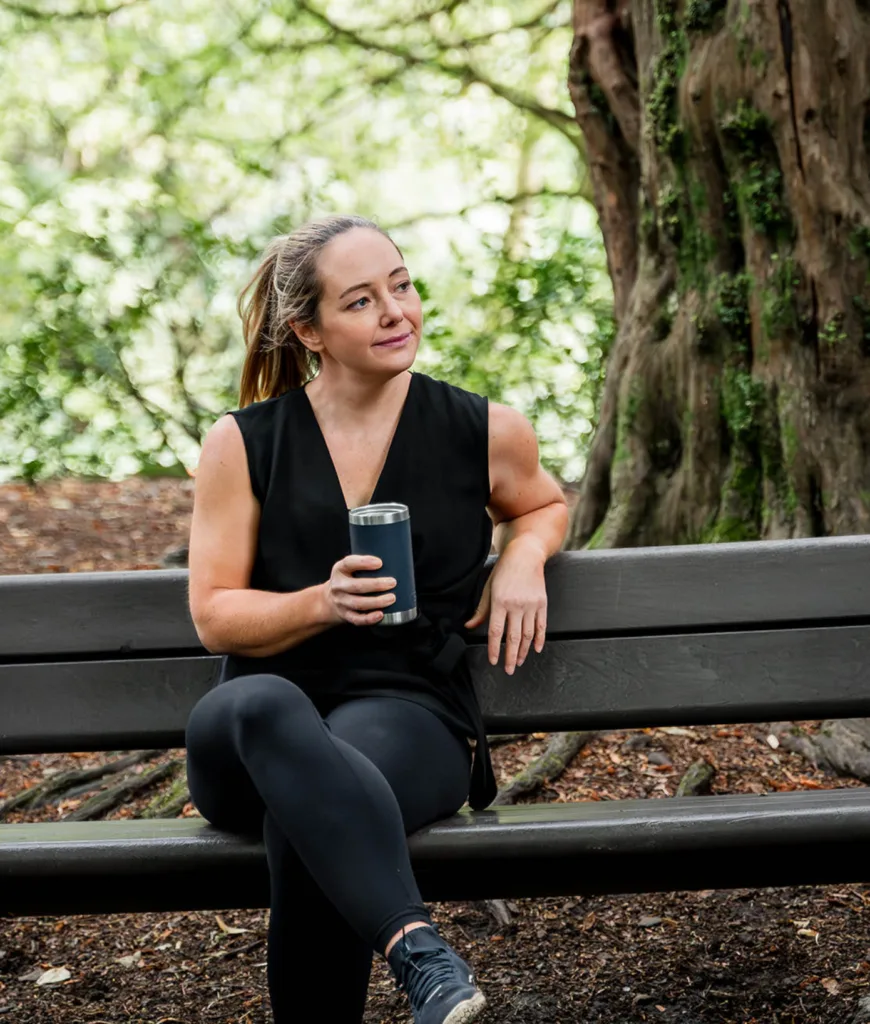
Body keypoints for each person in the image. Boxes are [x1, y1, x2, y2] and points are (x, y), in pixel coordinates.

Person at [184, 214, 569, 1024]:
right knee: (269, 709)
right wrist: (320, 603)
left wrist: (526, 557)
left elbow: (543, 504)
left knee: (318, 808)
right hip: (253, 730)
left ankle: (417, 959)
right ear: (308, 331)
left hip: (409, 713)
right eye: (360, 301)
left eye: (402, 285)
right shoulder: (243, 443)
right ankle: (417, 948)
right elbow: (216, 618)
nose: (397, 312)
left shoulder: (483, 430)